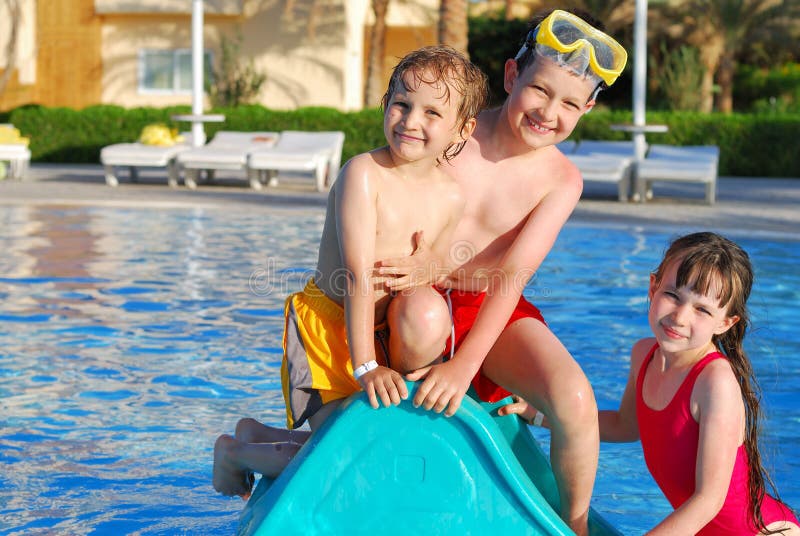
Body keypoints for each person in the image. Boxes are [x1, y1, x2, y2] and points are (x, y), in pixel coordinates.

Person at [377, 9, 627, 535]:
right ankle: (407, 451)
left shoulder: (562, 180)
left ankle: (573, 526)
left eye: (568, 103)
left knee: (576, 399)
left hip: (492, 306)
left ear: (588, 107)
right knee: (422, 315)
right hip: (419, 297)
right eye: (540, 90)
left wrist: (466, 365)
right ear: (512, 76)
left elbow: (513, 278)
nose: (548, 111)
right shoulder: (453, 138)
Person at [212, 46, 489, 499]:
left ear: (463, 128)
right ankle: (234, 453)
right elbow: (358, 276)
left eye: (432, 112)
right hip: (334, 328)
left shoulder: (452, 196)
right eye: (401, 103)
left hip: (385, 330)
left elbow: (436, 269)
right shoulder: (364, 174)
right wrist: (366, 366)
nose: (410, 121)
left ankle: (257, 435)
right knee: (341, 453)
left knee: (375, 443)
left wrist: (427, 269)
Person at [502, 232, 800, 535]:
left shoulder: (714, 383)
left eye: (702, 309)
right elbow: (624, 425)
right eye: (673, 295)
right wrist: (543, 416)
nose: (680, 317)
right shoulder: (644, 354)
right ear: (653, 287)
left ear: (725, 323)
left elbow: (708, 500)